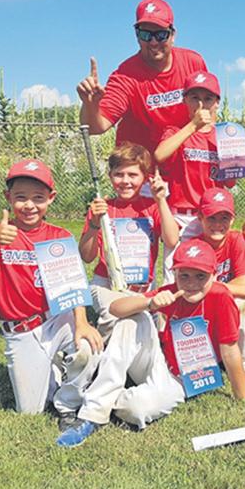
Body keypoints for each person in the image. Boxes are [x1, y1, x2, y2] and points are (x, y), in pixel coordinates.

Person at [56, 239, 245, 448]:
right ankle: (93, 413)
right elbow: (115, 308)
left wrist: (242, 395)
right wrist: (149, 303)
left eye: (201, 276)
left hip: (185, 376)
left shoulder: (220, 296)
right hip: (159, 359)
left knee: (135, 410)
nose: (191, 283)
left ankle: (106, 391)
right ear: (175, 274)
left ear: (214, 275)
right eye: (184, 276)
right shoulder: (170, 291)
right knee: (133, 320)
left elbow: (230, 351)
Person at [0, 159, 101, 425]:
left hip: (55, 319)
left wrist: (81, 323)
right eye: (21, 197)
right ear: (8, 197)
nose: (29, 205)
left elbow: (73, 283)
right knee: (30, 411)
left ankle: (68, 402)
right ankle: (52, 368)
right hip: (20, 329)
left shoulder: (57, 234)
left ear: (51, 199)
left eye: (38, 198)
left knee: (88, 347)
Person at [77, 0, 207, 155]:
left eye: (160, 35)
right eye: (145, 34)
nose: (153, 42)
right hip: (140, 169)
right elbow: (95, 127)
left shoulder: (193, 63)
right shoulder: (125, 76)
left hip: (181, 165)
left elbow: (208, 114)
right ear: (137, 36)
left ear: (173, 35)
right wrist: (90, 104)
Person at [80, 142, 179, 341]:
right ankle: (98, 351)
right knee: (118, 318)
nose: (125, 181)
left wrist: (161, 200)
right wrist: (94, 223)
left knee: (142, 330)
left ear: (144, 178)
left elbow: (172, 239)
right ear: (110, 176)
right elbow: (87, 256)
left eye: (133, 175)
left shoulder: (151, 206)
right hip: (107, 284)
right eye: (119, 174)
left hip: (142, 286)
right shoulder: (103, 207)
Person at [154, 70, 233, 281]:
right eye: (194, 98)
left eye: (208, 99)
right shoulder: (175, 132)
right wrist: (193, 126)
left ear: (217, 103)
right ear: (185, 101)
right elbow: (160, 155)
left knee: (208, 278)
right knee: (175, 279)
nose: (201, 104)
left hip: (212, 218)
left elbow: (231, 181)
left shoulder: (224, 136)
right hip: (181, 216)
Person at [194, 187, 245, 389]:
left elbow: (244, 281)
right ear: (200, 217)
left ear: (232, 219)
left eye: (224, 218)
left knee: (243, 302)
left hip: (224, 304)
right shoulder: (195, 246)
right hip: (201, 311)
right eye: (211, 218)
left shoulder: (235, 239)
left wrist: (241, 290)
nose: (218, 225)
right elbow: (194, 288)